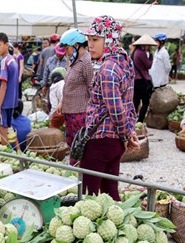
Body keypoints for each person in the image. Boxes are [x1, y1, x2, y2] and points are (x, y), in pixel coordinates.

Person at [81, 15, 139, 199]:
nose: (90, 44)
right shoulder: (124, 61)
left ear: (110, 40)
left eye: (96, 40)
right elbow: (128, 103)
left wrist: (125, 136)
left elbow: (117, 109)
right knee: (110, 193)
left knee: (88, 195)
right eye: (89, 39)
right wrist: (128, 133)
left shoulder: (107, 70)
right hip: (113, 143)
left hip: (101, 140)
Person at [56, 28, 93, 162]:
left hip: (81, 113)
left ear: (76, 45)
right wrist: (62, 102)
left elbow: (92, 88)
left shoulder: (87, 62)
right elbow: (69, 85)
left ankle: (83, 173)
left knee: (81, 146)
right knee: (72, 145)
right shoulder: (74, 61)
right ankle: (75, 170)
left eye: (67, 48)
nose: (65, 52)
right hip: (69, 111)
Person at [0, 32, 20, 144]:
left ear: (7, 45)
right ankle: (16, 154)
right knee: (9, 130)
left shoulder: (5, 62)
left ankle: (6, 157)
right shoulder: (13, 60)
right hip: (11, 102)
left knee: (3, 132)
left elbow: (3, 86)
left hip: (3, 103)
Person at [131, 37, 154, 123]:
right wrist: (151, 56)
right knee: (145, 103)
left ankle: (132, 120)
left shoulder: (135, 53)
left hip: (136, 81)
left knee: (135, 102)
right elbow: (148, 65)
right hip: (143, 81)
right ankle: (140, 120)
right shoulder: (141, 53)